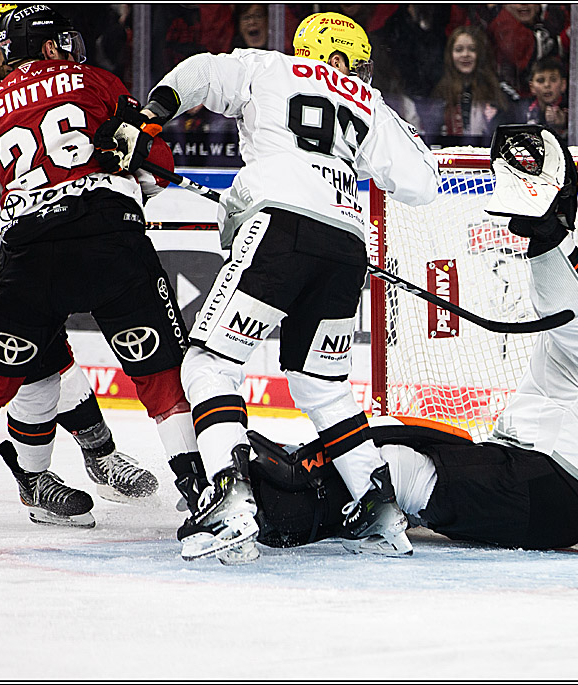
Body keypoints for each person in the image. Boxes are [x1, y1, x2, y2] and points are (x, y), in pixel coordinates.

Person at [236, 125, 578, 553]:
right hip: (553, 502)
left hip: (538, 480)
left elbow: (568, 301)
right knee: (394, 438)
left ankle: (278, 510)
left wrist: (546, 228)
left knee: (396, 470)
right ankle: (301, 464)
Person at [115, 11, 438, 561]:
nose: (358, 71)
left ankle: (228, 497)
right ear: (341, 57)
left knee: (207, 364)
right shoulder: (371, 103)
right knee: (323, 385)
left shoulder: (269, 65)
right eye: (355, 62)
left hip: (279, 229)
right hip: (346, 243)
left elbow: (198, 71)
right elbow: (424, 185)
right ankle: (379, 507)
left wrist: (150, 117)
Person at [0, 5, 200, 560]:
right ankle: (205, 496)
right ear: (50, 46)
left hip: (23, 256)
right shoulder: (97, 80)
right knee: (161, 376)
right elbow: (157, 158)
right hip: (99, 245)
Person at [430, 26, 511, 142]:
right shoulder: (441, 92)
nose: (465, 54)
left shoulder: (495, 91)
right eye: (459, 50)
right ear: (450, 55)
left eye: (472, 49)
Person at [522, 57, 568, 139]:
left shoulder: (572, 111)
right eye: (540, 80)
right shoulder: (522, 111)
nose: (547, 85)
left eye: (553, 79)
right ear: (532, 87)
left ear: (563, 84)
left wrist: (564, 123)